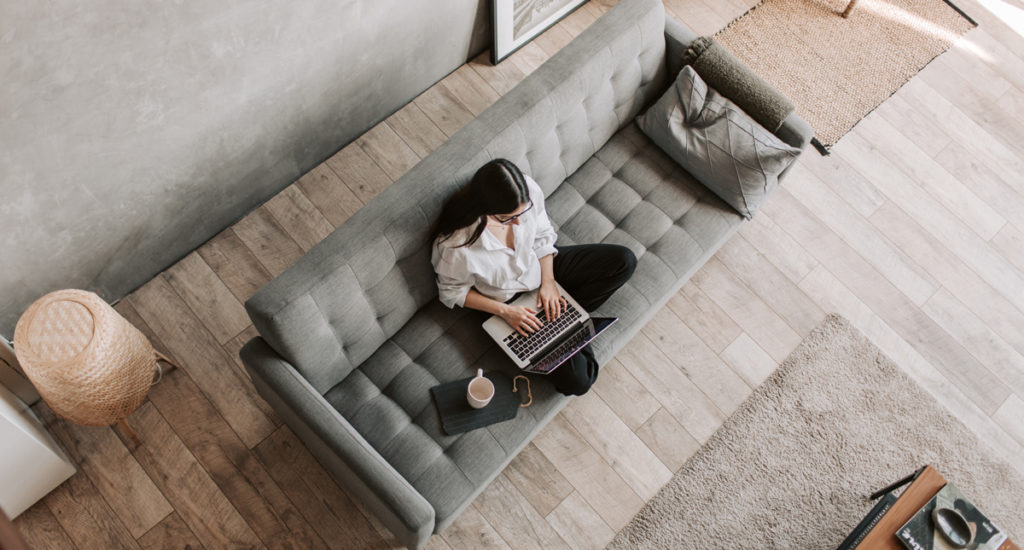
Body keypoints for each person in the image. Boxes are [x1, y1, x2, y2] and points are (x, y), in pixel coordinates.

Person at [431, 158, 636, 396]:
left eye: (523, 212)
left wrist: (548, 283)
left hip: (541, 269)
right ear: (484, 209)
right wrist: (506, 312)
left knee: (623, 261)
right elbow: (452, 292)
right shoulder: (455, 245)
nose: (518, 222)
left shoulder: (526, 190)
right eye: (508, 218)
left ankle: (564, 321)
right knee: (581, 381)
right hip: (506, 302)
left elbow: (542, 235)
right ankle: (565, 325)